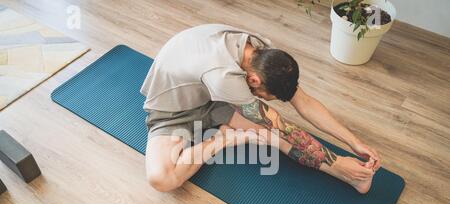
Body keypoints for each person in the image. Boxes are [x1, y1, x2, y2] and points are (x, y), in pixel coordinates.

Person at [141, 24, 381, 193]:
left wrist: (354, 142)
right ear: (254, 81)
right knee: (161, 179)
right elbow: (284, 126)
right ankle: (223, 139)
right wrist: (337, 161)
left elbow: (304, 102)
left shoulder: (260, 51)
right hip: (174, 111)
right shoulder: (224, 76)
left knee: (270, 133)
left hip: (214, 98)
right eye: (268, 97)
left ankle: (348, 177)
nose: (268, 100)